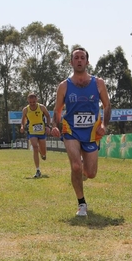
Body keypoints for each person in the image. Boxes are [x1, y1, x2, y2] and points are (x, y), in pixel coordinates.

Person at [51, 47, 111, 216]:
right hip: (71, 130)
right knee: (76, 166)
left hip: (92, 132)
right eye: (76, 57)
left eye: (82, 57)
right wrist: (56, 125)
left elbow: (107, 105)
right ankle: (81, 204)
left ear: (87, 61)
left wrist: (104, 125)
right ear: (71, 62)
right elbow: (57, 110)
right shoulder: (64, 86)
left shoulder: (98, 83)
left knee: (90, 173)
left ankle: (84, 171)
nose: (79, 60)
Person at [20, 93, 51, 178]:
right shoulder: (26, 110)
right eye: (30, 102)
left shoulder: (41, 107)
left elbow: (48, 116)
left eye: (33, 102)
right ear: (28, 101)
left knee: (43, 152)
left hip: (42, 132)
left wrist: (48, 126)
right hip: (32, 131)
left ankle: (42, 153)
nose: (32, 104)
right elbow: (23, 119)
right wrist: (22, 126)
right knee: (35, 147)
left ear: (36, 100)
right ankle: (37, 170)